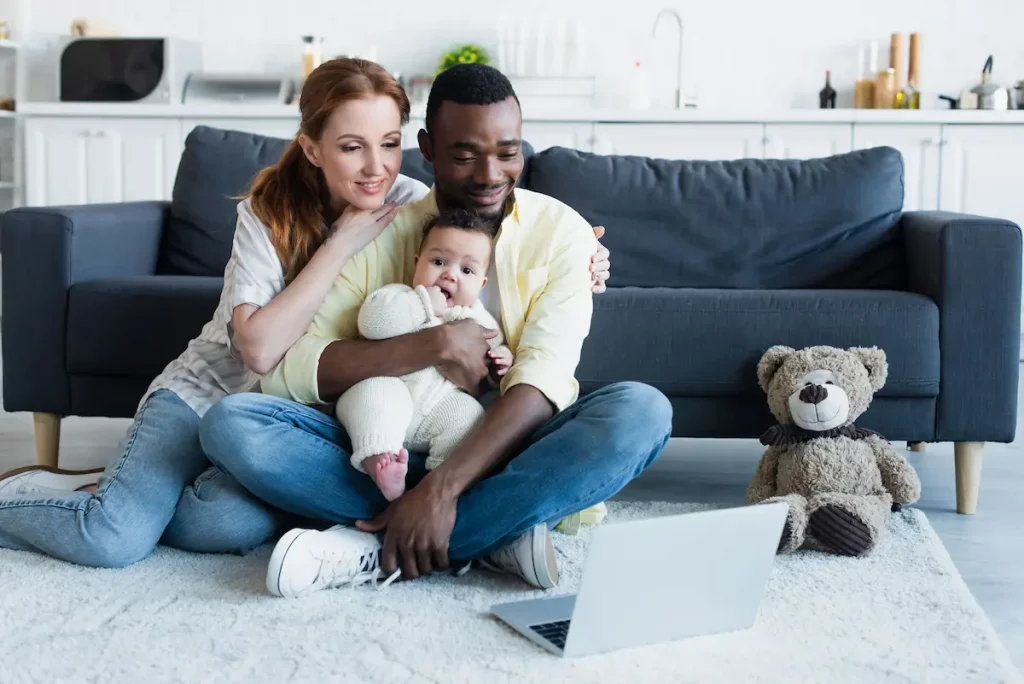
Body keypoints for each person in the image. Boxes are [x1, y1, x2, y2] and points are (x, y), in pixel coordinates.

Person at [198, 63, 672, 600]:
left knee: (642, 412)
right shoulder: (382, 227)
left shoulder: (563, 233)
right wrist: (433, 344)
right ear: (427, 148)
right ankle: (493, 534)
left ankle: (375, 547)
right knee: (234, 423)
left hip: (505, 450)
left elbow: (544, 378)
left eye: (509, 151)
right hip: (383, 449)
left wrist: (441, 492)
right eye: (465, 155)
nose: (490, 174)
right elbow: (296, 368)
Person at [337, 207, 510, 501]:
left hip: (437, 409)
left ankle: (439, 484)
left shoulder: (480, 320)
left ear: (481, 283)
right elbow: (373, 323)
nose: (450, 274)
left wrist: (502, 359)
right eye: (439, 261)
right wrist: (423, 306)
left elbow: (486, 370)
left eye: (466, 270)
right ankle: (380, 464)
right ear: (418, 264)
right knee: (375, 394)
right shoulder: (400, 296)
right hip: (392, 391)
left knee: (469, 417)